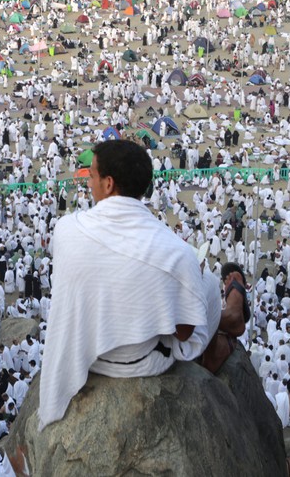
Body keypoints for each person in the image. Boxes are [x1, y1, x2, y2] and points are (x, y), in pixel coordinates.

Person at [39, 140, 219, 429]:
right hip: (141, 362)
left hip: (87, 356)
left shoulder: (67, 229)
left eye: (93, 176)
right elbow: (185, 333)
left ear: (108, 184)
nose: (89, 182)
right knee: (208, 282)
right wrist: (178, 284)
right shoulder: (176, 252)